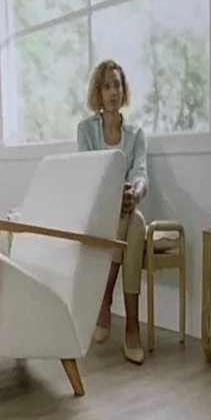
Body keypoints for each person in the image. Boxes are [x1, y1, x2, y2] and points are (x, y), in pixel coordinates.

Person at [76, 59, 148, 364]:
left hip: (125, 211)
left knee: (136, 219)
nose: (113, 91)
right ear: (98, 92)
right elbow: (87, 176)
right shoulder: (86, 130)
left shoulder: (135, 134)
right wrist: (112, 197)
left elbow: (142, 174)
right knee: (131, 221)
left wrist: (135, 192)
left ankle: (113, 308)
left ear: (123, 89)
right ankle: (130, 325)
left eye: (117, 84)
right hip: (96, 214)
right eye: (107, 86)